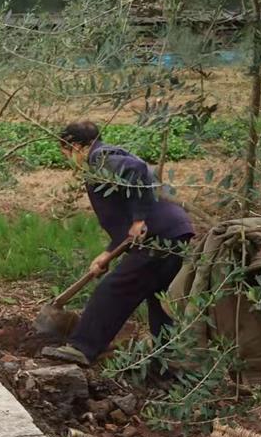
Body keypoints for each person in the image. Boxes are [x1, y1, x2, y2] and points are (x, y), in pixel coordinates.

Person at [42, 121, 195, 367]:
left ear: (76, 147)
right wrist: (107, 254)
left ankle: (83, 347)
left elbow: (136, 170)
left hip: (158, 235)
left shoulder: (100, 158)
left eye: (65, 153)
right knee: (158, 297)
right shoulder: (107, 156)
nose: (68, 160)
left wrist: (139, 219)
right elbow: (123, 219)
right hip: (174, 232)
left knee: (115, 290)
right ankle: (166, 362)